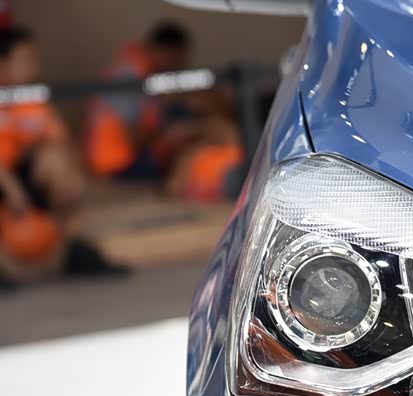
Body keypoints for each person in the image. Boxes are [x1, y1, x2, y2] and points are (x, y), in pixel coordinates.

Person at [0, 25, 124, 286]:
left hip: (25, 185)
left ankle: (68, 248)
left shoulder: (32, 100)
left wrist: (71, 178)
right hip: (5, 185)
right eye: (26, 59)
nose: (34, 66)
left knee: (58, 161)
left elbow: (60, 144)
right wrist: (11, 189)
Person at [85, 21, 244, 202]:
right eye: (176, 58)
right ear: (163, 50)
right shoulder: (130, 75)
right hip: (118, 165)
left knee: (196, 123)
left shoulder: (147, 70)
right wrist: (172, 136)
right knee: (195, 135)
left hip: (128, 155)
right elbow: (133, 136)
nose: (179, 64)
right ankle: (181, 185)